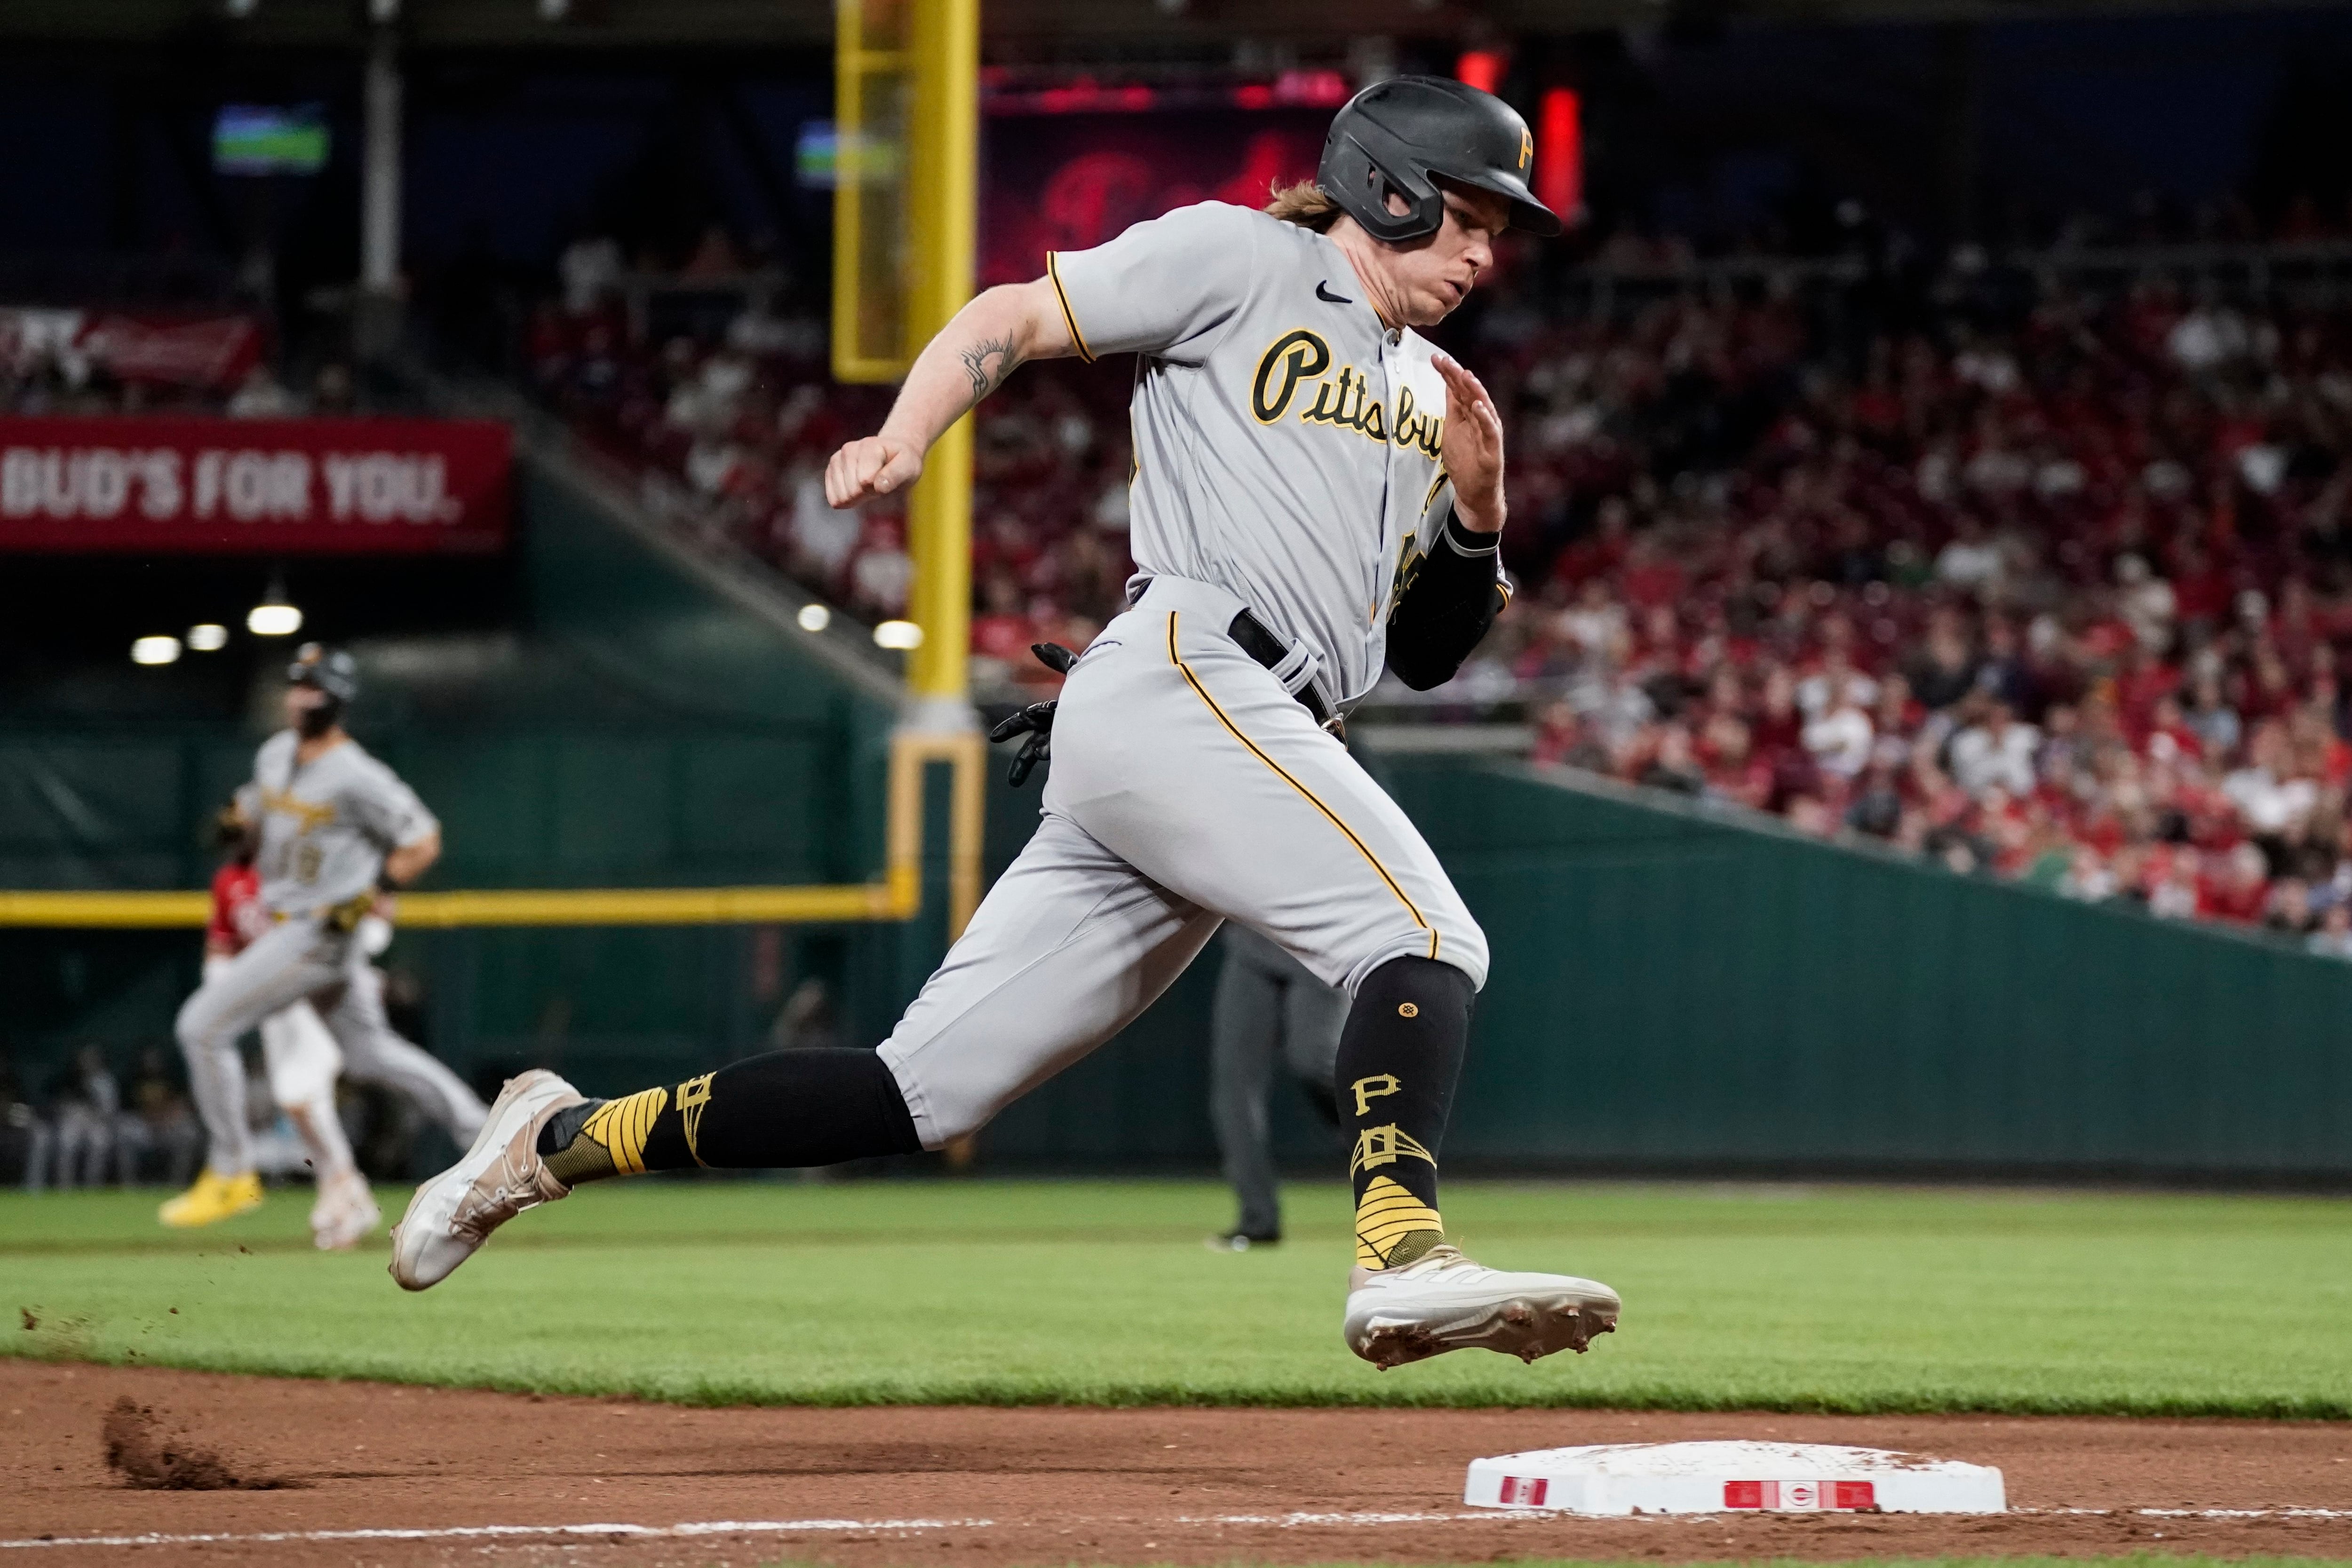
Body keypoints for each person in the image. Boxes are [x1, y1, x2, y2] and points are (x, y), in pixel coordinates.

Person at [391, 78, 1621, 1370]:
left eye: (1500, 226)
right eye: (1472, 215)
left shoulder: (1439, 388)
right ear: (1392, 185)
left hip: (1234, 729)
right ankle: (1402, 1250)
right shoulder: (1241, 254)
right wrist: (904, 434)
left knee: (919, 1089)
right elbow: (1015, 315)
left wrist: (1478, 516)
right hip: (1191, 672)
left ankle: (552, 1139)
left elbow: (1425, 655)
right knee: (1422, 933)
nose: (1489, 249)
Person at [161, 645, 487, 1229]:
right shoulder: (276, 754)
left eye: (316, 687)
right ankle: (484, 1128)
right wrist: (237, 820)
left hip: (318, 933)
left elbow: (424, 839)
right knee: (370, 1053)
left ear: (338, 700)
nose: (303, 695)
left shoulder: (357, 775)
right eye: (298, 684)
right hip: (289, 926)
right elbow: (255, 808)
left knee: (202, 1026)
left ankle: (233, 1170)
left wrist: (376, 888)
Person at [1207, 924, 1346, 1250]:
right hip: (1252, 944)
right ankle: (1257, 1220)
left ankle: (1387, 1143)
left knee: (1314, 1063)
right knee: (1234, 1088)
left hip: (1321, 945)